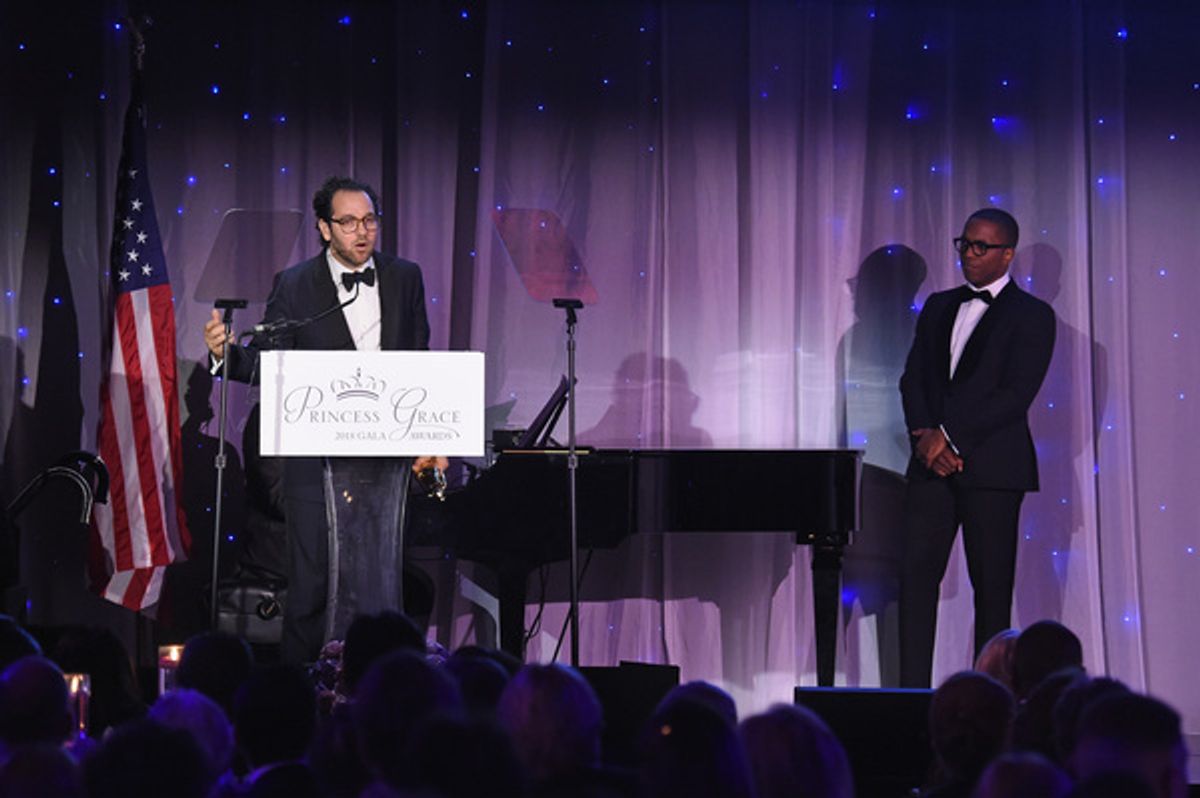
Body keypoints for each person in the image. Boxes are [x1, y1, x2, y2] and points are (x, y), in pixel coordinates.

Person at [203, 176, 435, 663]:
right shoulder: (295, 284)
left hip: (384, 469)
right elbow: (271, 360)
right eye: (348, 222)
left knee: (383, 592)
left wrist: (428, 438)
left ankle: (380, 700)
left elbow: (420, 362)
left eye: (369, 220)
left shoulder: (404, 276)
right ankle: (306, 708)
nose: (362, 232)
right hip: (316, 467)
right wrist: (228, 357)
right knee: (311, 593)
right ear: (325, 228)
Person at [898, 208, 1055, 687]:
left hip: (993, 471)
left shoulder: (1033, 316)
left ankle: (991, 704)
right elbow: (913, 379)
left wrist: (948, 437)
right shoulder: (939, 306)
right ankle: (908, 701)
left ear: (1007, 254)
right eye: (964, 243)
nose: (969, 253)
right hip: (931, 469)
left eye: (981, 246)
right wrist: (926, 436)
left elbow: (1014, 395)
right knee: (915, 587)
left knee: (991, 595)